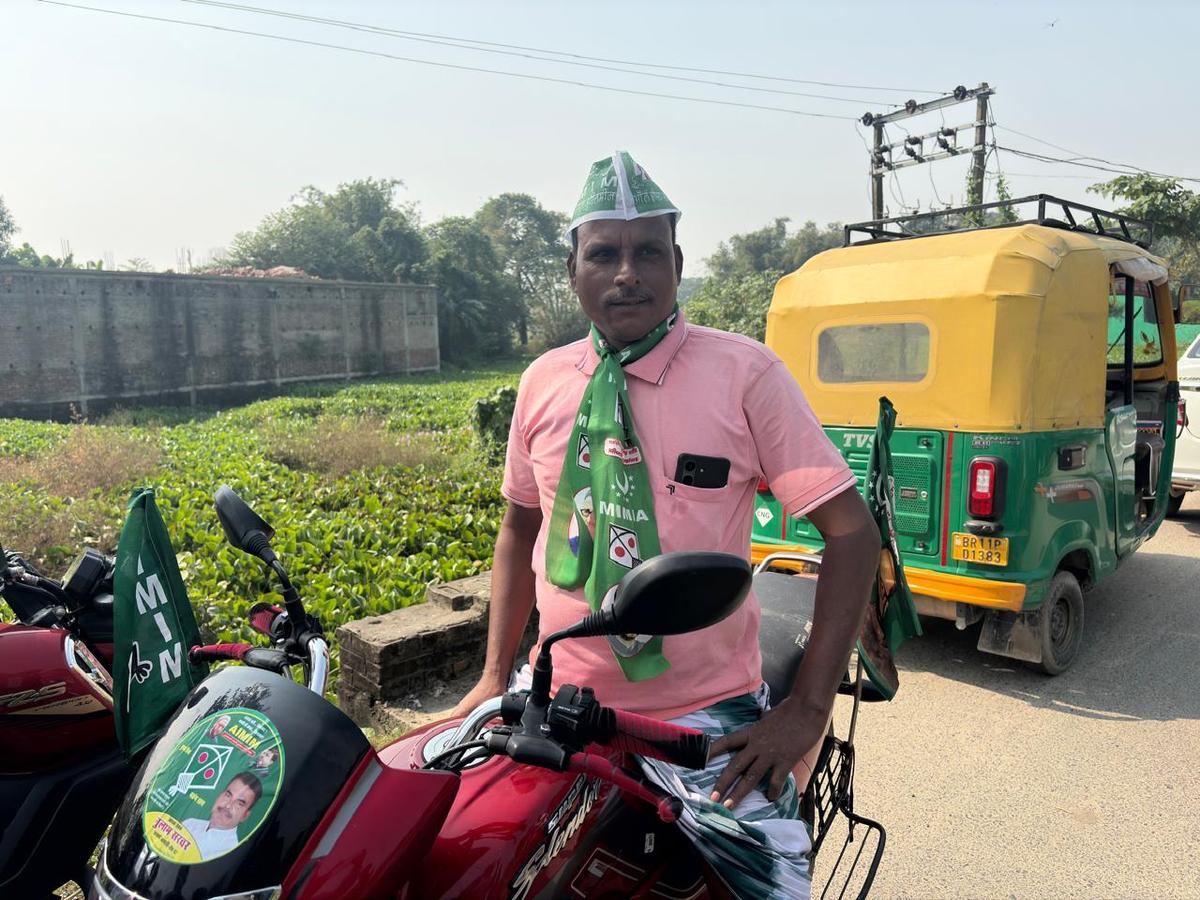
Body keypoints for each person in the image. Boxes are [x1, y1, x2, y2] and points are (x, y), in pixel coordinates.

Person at [451, 151, 878, 897]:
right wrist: (493, 677)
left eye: (648, 252)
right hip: (557, 696)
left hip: (705, 719)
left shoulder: (745, 375)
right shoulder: (542, 382)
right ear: (572, 270)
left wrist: (807, 709)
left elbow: (850, 531)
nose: (627, 273)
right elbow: (521, 527)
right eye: (604, 254)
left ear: (677, 263)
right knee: (461, 855)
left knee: (773, 888)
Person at [180, 771, 263, 861]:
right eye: (228, 795)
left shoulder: (229, 854)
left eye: (239, 803)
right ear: (219, 795)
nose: (228, 805)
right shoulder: (190, 823)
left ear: (245, 815)